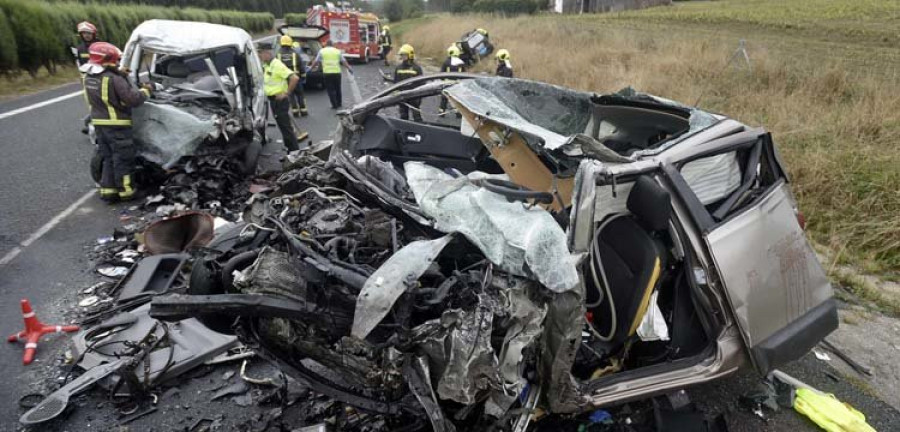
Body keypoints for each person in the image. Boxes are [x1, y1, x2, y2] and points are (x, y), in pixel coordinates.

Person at [81, 42, 152, 202]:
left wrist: (121, 75)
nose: (118, 63)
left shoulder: (88, 77)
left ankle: (108, 191)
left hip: (99, 123)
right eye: (116, 60)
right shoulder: (113, 78)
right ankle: (127, 192)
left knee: (108, 157)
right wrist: (147, 89)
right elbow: (132, 99)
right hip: (117, 125)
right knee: (123, 158)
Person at [259, 42, 302, 152]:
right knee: (283, 128)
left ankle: (294, 153)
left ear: (267, 53)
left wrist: (286, 93)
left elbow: (294, 78)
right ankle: (290, 151)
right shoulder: (267, 65)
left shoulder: (277, 64)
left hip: (280, 101)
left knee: (286, 128)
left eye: (261, 53)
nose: (259, 56)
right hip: (273, 101)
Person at [309, 40, 353, 109]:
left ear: (326, 44)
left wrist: (311, 68)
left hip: (327, 73)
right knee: (338, 88)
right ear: (332, 45)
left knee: (330, 89)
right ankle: (339, 103)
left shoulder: (322, 51)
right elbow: (343, 61)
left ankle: (334, 105)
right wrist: (349, 68)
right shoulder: (337, 51)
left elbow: (316, 61)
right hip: (337, 73)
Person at [279, 35, 308, 117]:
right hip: (296, 78)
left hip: (286, 79)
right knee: (300, 94)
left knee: (291, 95)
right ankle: (303, 111)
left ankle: (295, 112)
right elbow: (301, 65)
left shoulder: (278, 54)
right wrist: (303, 76)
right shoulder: (295, 53)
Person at [393, 44, 423, 122]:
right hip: (403, 97)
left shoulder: (417, 68)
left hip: (414, 97)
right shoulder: (398, 68)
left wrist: (419, 97)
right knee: (403, 117)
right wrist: (397, 95)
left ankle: (419, 131)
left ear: (410, 55)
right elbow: (396, 83)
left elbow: (422, 83)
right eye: (402, 55)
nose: (402, 56)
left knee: (417, 117)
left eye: (404, 54)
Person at [439, 44, 466, 114]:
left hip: (447, 84)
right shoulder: (461, 63)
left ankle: (442, 112)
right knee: (457, 99)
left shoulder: (446, 62)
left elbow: (441, 73)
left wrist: (442, 81)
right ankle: (458, 113)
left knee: (444, 99)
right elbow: (464, 74)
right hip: (457, 84)